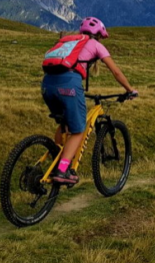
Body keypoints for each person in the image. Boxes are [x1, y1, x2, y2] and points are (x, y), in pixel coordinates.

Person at [41, 17, 137, 184]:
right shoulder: (96, 45)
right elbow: (116, 72)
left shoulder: (69, 41)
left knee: (64, 123)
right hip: (69, 83)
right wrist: (130, 90)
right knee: (78, 130)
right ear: (99, 34)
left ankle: (57, 159)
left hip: (47, 84)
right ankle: (62, 169)